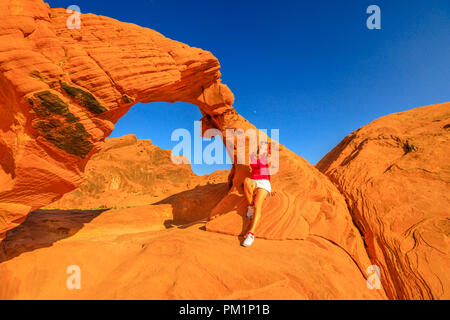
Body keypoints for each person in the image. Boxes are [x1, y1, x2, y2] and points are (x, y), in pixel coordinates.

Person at [242, 140, 272, 247]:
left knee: (258, 207)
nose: (262, 147)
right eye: (261, 146)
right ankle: (250, 204)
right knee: (246, 181)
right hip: (253, 180)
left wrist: (266, 152)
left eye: (264, 146)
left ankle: (251, 234)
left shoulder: (268, 157)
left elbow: (267, 163)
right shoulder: (254, 156)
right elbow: (252, 164)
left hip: (264, 182)